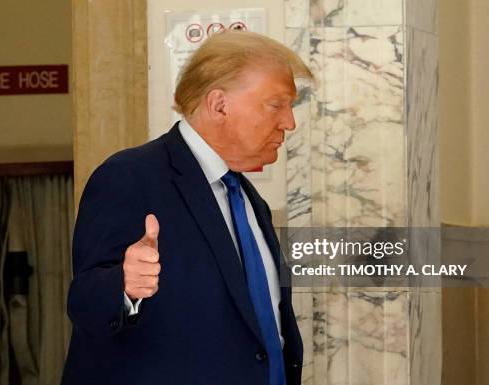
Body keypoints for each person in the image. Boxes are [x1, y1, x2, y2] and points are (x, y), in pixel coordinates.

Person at [61, 31, 313, 385]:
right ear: (219, 105)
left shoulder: (249, 199)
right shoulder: (129, 176)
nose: (289, 122)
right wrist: (123, 286)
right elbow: (85, 306)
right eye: (276, 104)